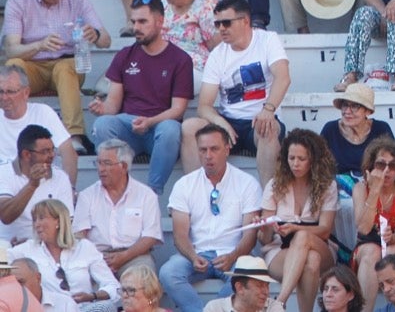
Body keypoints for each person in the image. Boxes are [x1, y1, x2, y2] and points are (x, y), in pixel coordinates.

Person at [87, 0, 192, 195]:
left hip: (159, 128)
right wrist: (102, 109)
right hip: (129, 127)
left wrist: (150, 121)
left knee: (171, 129)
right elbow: (112, 105)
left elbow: (178, 110)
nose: (136, 27)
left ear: (160, 21)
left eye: (143, 22)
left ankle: (152, 192)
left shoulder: (180, 59)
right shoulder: (124, 55)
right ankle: (121, 187)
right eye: (133, 22)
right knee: (102, 124)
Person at [182, 0, 290, 186]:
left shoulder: (267, 40)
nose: (221, 29)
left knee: (268, 128)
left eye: (226, 23)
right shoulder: (217, 54)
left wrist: (268, 110)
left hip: (260, 119)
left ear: (245, 21)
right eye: (217, 24)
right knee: (189, 127)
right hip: (229, 121)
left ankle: (268, 201)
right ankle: (197, 193)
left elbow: (283, 78)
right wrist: (219, 122)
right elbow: (204, 106)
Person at [2, 0, 109, 151]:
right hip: (32, 65)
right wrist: (39, 45)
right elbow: (11, 49)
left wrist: (96, 35)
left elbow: (106, 41)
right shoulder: (19, 0)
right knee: (13, 65)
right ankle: (9, 130)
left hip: (67, 64)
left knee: (64, 67)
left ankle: (75, 136)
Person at [159, 123, 263, 312]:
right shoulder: (185, 185)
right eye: (203, 150)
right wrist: (192, 256)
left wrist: (233, 256)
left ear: (227, 149)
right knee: (168, 273)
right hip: (197, 253)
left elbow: (250, 236)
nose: (208, 155)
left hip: (234, 252)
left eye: (214, 149)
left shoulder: (247, 183)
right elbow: (179, 235)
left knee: (247, 275)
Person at [257, 129, 337, 310]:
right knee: (311, 260)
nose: (295, 164)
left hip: (321, 245)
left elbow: (325, 230)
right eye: (291, 158)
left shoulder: (327, 186)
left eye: (302, 159)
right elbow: (266, 239)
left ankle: (280, 302)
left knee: (302, 237)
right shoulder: (274, 185)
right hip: (280, 250)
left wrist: (294, 228)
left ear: (313, 160)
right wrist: (267, 226)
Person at [11, 200, 120, 312]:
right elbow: (3, 259)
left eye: (42, 218)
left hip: (83, 308)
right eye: (35, 220)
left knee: (106, 307)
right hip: (49, 309)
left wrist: (92, 296)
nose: (37, 224)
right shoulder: (27, 249)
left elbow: (113, 286)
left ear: (58, 221)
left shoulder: (84, 247)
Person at [71, 141, 161, 275]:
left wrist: (124, 256)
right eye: (99, 163)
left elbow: (151, 236)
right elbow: (79, 235)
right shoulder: (87, 195)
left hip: (134, 256)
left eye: (107, 163)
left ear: (124, 166)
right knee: (78, 277)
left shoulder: (146, 195)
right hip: (97, 256)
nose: (101, 169)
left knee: (142, 278)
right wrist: (96, 258)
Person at [353, 138, 395, 312]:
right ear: (371, 166)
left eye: (393, 166)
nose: (387, 171)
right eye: (381, 165)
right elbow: (363, 228)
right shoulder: (360, 189)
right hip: (367, 244)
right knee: (371, 252)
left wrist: (392, 237)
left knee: (392, 253)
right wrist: (375, 189)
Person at [0, 65, 77, 182]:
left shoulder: (43, 113)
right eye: (0, 91)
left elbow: (68, 152)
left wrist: (69, 188)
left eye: (10, 92)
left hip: (40, 184)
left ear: (26, 93)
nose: (4, 97)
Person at [154, 0, 221, 91]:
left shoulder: (206, 6)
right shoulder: (163, 6)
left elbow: (217, 48)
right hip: (161, 65)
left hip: (193, 68)